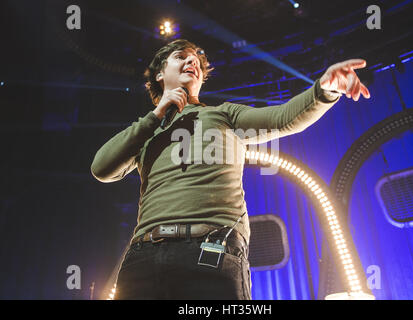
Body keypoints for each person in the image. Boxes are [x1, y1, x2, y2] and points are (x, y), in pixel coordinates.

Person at [90, 39, 370, 300]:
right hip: (145, 255)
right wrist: (156, 116)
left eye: (197, 62)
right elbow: (101, 168)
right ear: (159, 75)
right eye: (181, 57)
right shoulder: (146, 130)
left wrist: (324, 89)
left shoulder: (222, 114)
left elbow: (282, 118)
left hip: (212, 250)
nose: (193, 63)